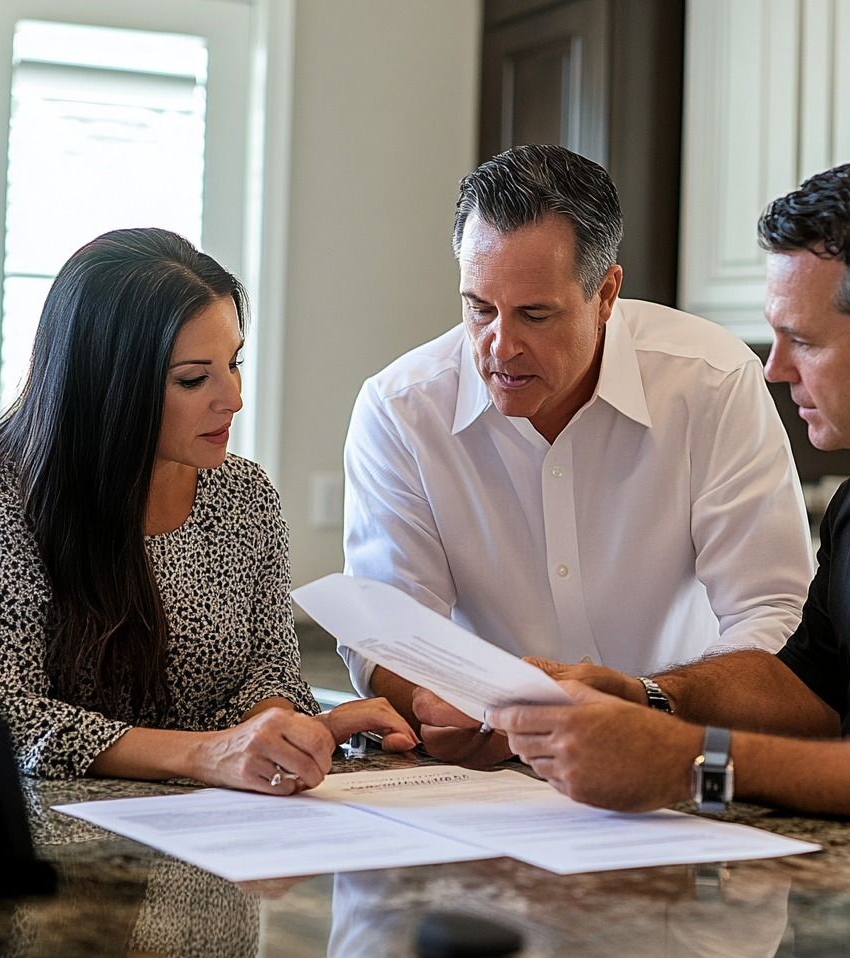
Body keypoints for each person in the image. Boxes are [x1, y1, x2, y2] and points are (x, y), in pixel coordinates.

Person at [490, 154, 850, 836]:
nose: (775, 368)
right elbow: (810, 690)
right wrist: (650, 700)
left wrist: (698, 762)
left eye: (802, 339)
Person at [342, 144, 814, 766]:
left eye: (535, 314)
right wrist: (431, 700)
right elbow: (388, 628)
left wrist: (654, 704)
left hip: (676, 756)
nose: (499, 346)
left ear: (607, 292)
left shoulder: (711, 380)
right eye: (479, 309)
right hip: (488, 778)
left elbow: (771, 611)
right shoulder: (400, 409)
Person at [0, 228, 416, 794]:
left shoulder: (242, 494)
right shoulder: (8, 500)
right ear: (106, 384)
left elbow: (271, 670)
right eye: (194, 379)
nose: (234, 398)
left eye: (234, 363)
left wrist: (283, 732)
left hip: (220, 829)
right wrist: (207, 754)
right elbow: (10, 717)